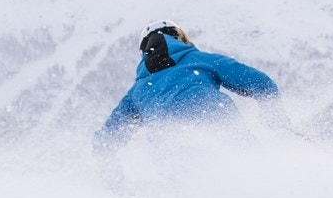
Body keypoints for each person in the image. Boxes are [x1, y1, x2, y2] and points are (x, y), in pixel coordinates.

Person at [94, 19, 289, 155]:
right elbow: (262, 83)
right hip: (228, 136)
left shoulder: (136, 92)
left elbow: (105, 141)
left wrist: (118, 188)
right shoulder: (201, 60)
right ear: (179, 38)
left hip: (175, 164)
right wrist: (276, 119)